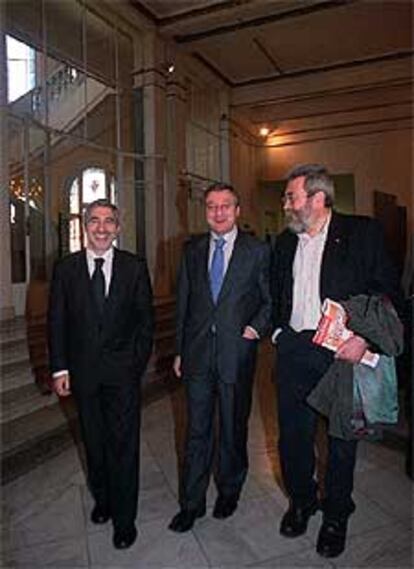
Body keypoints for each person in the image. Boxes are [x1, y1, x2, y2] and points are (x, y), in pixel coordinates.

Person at [271, 164, 402, 558]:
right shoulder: (285, 242)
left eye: (291, 197)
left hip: (341, 353)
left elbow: (387, 293)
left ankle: (336, 515)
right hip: (295, 350)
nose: (286, 205)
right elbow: (276, 291)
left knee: (341, 440)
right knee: (293, 438)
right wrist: (279, 332)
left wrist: (364, 340)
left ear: (317, 198)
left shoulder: (362, 234)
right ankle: (302, 501)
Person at [48, 199, 154, 549]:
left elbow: (145, 323)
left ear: (118, 227)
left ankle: (125, 520)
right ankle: (104, 499)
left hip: (122, 375)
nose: (102, 228)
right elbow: (57, 322)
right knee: (94, 443)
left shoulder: (134, 267)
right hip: (83, 375)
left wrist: (134, 366)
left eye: (109, 221)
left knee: (124, 447)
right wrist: (60, 367)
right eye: (95, 221)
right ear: (85, 225)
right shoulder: (66, 269)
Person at [169, 183, 272, 533]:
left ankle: (229, 490)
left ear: (238, 210)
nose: (218, 212)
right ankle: (192, 503)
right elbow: (183, 303)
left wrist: (255, 329)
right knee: (196, 431)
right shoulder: (192, 250)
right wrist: (180, 350)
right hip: (197, 355)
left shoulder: (257, 250)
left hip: (235, 355)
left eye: (225, 205)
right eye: (211, 206)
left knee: (231, 427)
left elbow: (270, 300)